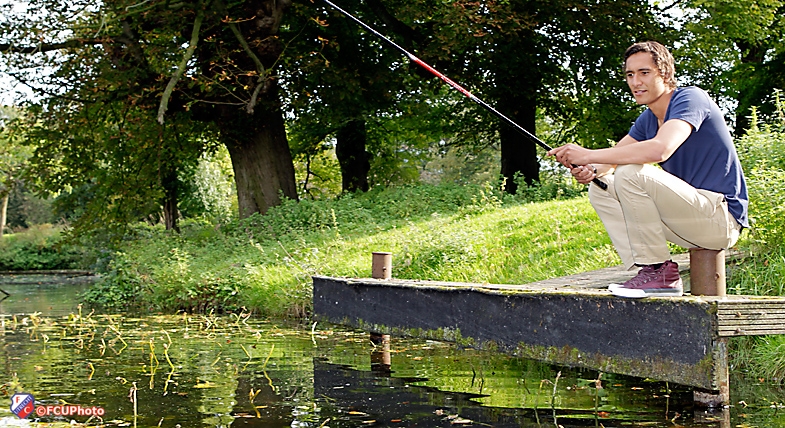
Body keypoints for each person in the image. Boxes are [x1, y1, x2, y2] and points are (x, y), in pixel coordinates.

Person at [548, 40, 748, 298]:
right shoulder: (648, 119)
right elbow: (608, 163)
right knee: (603, 186)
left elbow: (660, 149)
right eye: (630, 75)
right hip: (686, 220)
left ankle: (659, 273)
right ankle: (651, 269)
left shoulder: (690, 98)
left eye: (644, 73)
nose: (635, 82)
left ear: (665, 73)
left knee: (630, 173)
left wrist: (587, 154)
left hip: (721, 219)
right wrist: (588, 168)